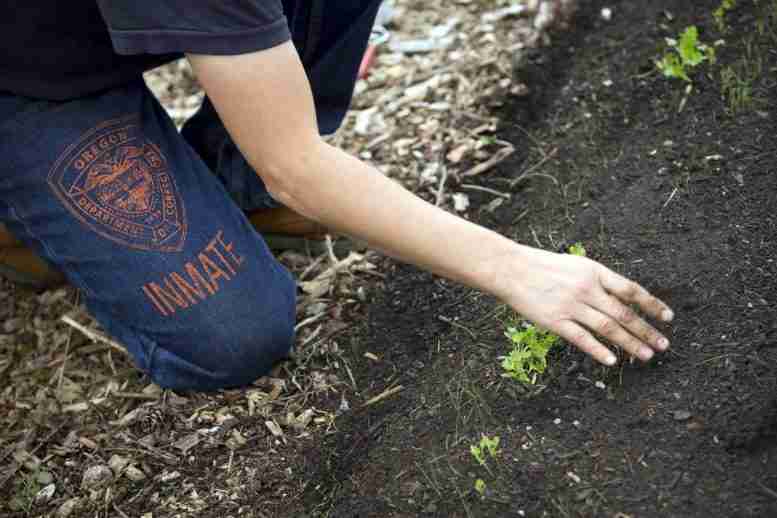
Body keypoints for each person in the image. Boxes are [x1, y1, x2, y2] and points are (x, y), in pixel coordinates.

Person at [0, 1, 674, 392]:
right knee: (233, 336)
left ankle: (233, 181)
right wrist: (514, 266)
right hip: (30, 78)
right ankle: (26, 223)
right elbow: (299, 167)